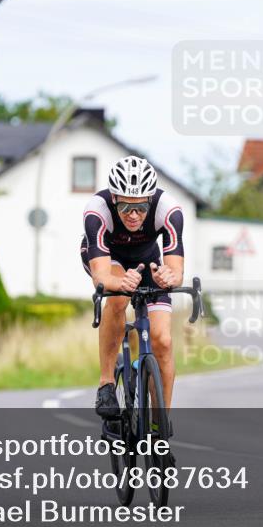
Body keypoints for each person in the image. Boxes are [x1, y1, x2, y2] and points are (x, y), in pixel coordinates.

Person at [80, 155, 185, 419]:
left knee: (162, 340)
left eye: (141, 207)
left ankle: (160, 425)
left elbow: (176, 271)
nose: (134, 215)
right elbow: (101, 277)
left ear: (151, 200)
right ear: (114, 198)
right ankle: (105, 383)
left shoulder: (168, 209)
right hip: (107, 258)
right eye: (126, 206)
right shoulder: (97, 211)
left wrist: (168, 278)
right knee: (117, 300)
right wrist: (119, 282)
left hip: (147, 261)